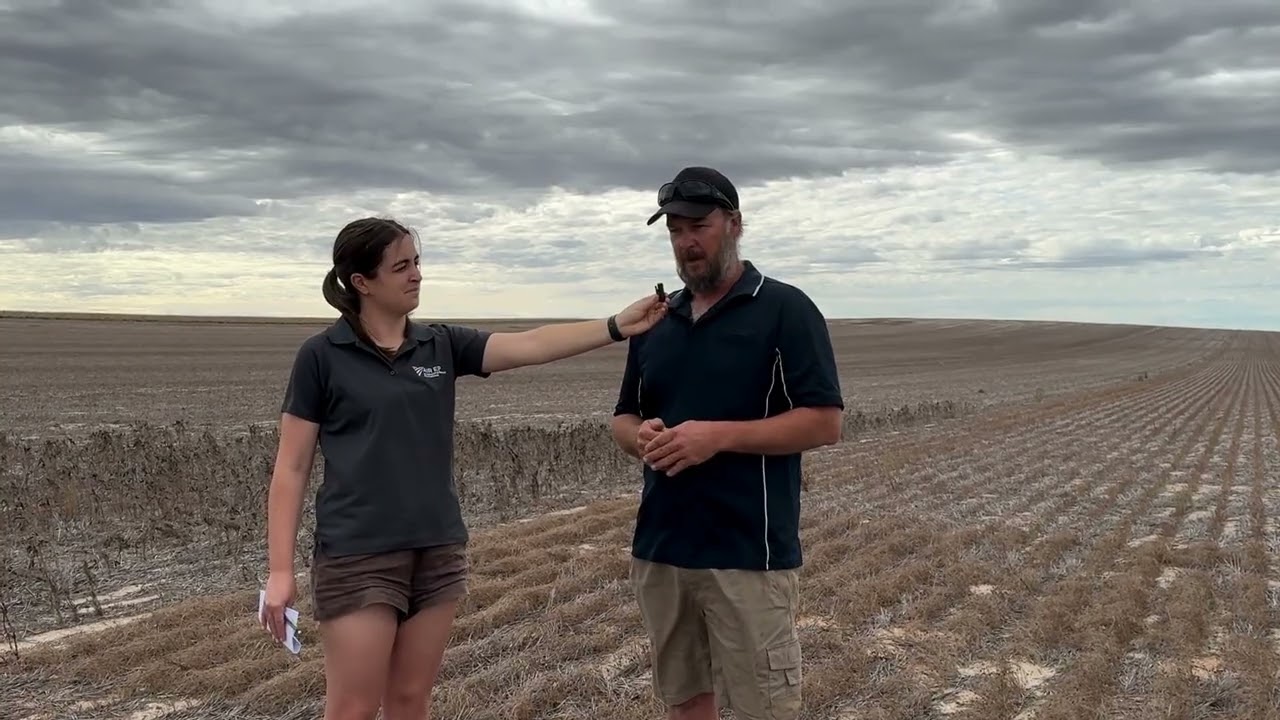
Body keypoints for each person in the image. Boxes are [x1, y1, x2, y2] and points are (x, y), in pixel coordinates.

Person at [259, 216, 668, 720]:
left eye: (416, 262)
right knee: (353, 708)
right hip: (357, 555)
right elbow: (292, 467)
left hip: (436, 551)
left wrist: (616, 326)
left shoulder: (440, 344)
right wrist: (281, 572)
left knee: (410, 701)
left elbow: (531, 345)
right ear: (361, 282)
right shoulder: (322, 356)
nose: (417, 274)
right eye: (401, 267)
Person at [610, 166, 845, 720]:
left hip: (748, 554)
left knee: (765, 709)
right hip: (662, 549)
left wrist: (717, 437)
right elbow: (623, 417)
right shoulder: (658, 321)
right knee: (684, 702)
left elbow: (824, 422)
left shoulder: (784, 309)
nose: (686, 242)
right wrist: (641, 439)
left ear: (734, 224)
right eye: (675, 231)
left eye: (699, 226)